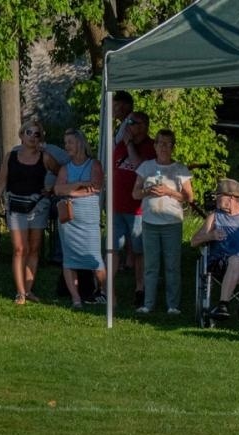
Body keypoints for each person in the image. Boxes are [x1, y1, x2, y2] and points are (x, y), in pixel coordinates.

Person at [0, 121, 56, 305]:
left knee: (33, 248)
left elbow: (62, 172)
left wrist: (52, 189)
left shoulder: (45, 157)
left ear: (41, 138)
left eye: (37, 134)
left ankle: (29, 289)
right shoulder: (11, 156)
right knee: (19, 249)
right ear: (21, 135)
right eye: (29, 132)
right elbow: (0, 182)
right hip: (15, 207)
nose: (32, 136)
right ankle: (20, 293)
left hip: (38, 207)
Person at [191, 178, 239, 324]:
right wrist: (211, 235)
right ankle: (223, 305)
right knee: (235, 260)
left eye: (218, 195)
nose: (216, 199)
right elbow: (194, 241)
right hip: (221, 262)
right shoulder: (215, 216)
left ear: (231, 198)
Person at [133, 128, 193, 315]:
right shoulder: (146, 167)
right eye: (161, 143)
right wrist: (147, 191)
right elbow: (135, 193)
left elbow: (189, 197)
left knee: (172, 266)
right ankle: (148, 304)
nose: (164, 147)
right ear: (155, 145)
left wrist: (169, 192)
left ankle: (173, 305)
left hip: (171, 223)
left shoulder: (180, 170)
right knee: (151, 266)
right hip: (150, 222)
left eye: (168, 144)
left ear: (173, 147)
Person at [53, 128, 105, 310]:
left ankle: (103, 291)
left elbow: (96, 187)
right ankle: (75, 298)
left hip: (89, 219)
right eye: (65, 142)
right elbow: (58, 189)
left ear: (80, 143)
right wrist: (79, 185)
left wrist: (70, 190)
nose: (66, 146)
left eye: (70, 142)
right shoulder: (65, 168)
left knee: (95, 258)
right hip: (69, 220)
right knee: (69, 259)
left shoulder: (94, 165)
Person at [112, 110, 157, 307]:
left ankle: (140, 288)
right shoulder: (120, 145)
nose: (128, 125)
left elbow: (141, 167)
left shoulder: (149, 147)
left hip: (137, 209)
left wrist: (130, 145)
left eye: (133, 122)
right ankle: (108, 288)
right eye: (128, 122)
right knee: (112, 248)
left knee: (139, 250)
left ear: (144, 126)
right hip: (116, 206)